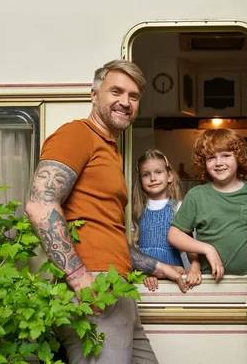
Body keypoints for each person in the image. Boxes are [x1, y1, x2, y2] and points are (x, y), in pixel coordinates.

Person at [24, 59, 187, 364]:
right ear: (94, 95)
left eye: (134, 96)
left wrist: (161, 268)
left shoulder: (109, 150)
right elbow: (40, 205)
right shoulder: (76, 134)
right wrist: (79, 277)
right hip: (94, 290)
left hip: (117, 289)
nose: (125, 102)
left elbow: (108, 232)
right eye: (116, 91)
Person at [167, 128, 247, 289]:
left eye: (226, 156)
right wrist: (207, 249)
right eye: (211, 158)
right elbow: (175, 235)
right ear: (204, 162)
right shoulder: (197, 196)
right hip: (208, 281)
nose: (219, 163)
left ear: (239, 157)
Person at [132, 149, 187, 291]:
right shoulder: (135, 211)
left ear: (170, 176)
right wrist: (145, 272)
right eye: (146, 174)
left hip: (174, 270)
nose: (153, 178)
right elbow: (129, 249)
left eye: (158, 172)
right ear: (140, 181)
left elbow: (188, 248)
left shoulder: (179, 208)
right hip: (144, 275)